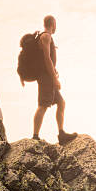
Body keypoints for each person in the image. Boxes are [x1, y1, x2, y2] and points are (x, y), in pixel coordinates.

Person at [22, 15, 77, 145]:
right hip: (46, 78)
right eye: (55, 24)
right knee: (43, 105)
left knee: (61, 103)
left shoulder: (45, 36)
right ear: (53, 23)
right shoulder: (46, 36)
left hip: (48, 76)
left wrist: (54, 71)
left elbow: (47, 60)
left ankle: (61, 134)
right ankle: (35, 137)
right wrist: (54, 78)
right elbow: (47, 58)